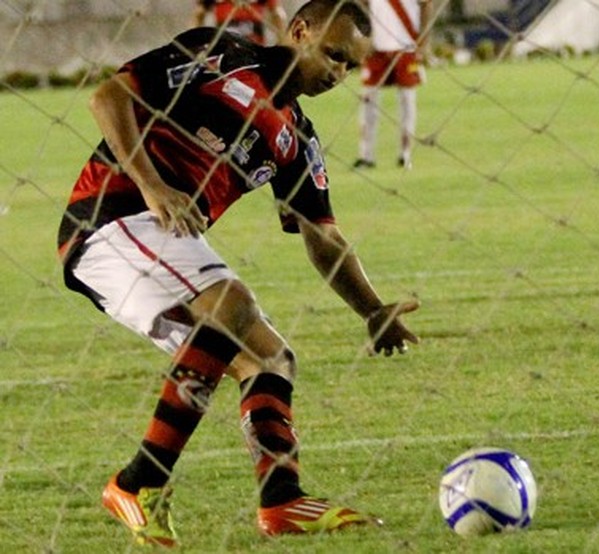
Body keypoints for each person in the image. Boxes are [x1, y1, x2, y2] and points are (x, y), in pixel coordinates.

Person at [56, 0, 419, 547]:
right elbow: (109, 97)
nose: (337, 74)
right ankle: (139, 483)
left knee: (269, 357)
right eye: (333, 55)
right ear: (300, 31)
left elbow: (323, 237)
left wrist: (372, 309)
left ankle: (283, 502)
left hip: (159, 239)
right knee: (232, 302)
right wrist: (155, 186)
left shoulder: (297, 138)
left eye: (349, 66)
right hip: (110, 215)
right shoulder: (222, 54)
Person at [353, 0, 431, 169]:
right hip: (376, 47)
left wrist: (423, 42)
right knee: (368, 102)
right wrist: (365, 37)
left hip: (407, 47)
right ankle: (366, 155)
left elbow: (426, 5)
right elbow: (361, 4)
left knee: (407, 102)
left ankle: (405, 153)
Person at [193, 0, 287, 45]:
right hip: (226, 43)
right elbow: (198, 14)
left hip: (253, 45)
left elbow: (278, 14)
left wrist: (281, 42)